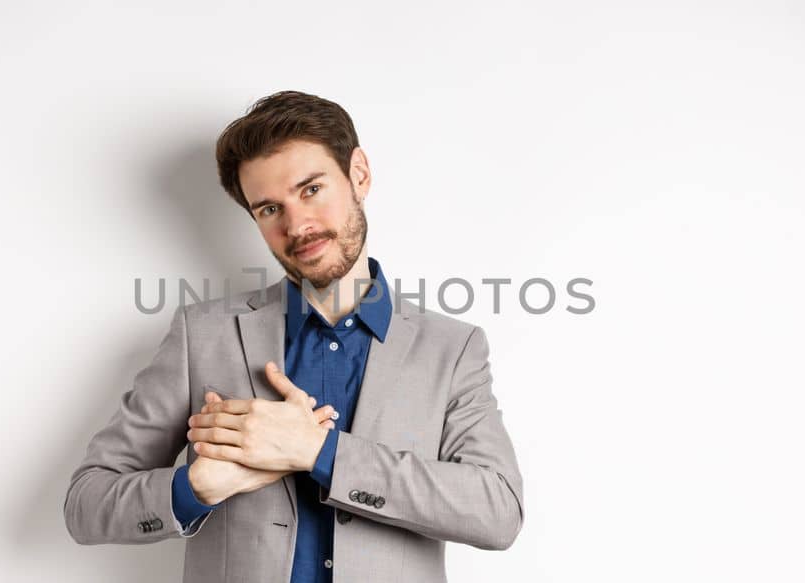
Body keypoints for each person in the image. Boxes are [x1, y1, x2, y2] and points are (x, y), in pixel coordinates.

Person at [64, 90, 523, 583]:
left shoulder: (452, 349)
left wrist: (319, 452)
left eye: (311, 189)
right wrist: (194, 486)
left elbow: (498, 511)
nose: (297, 225)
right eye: (268, 209)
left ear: (359, 174)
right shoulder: (202, 336)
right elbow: (86, 503)